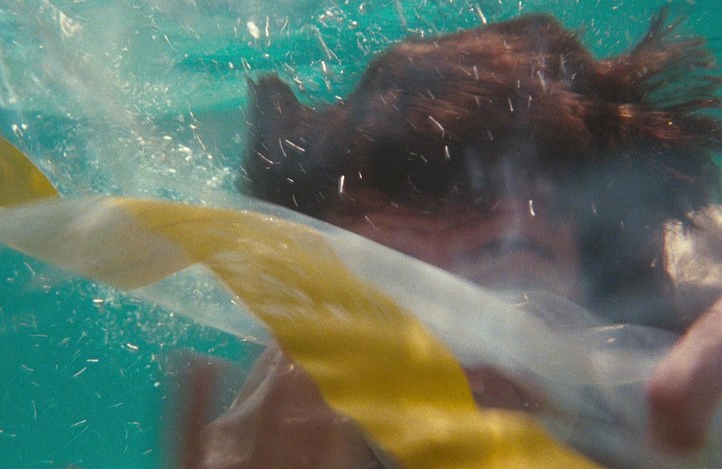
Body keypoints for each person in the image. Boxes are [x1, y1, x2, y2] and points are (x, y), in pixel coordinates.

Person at [183, 11, 722, 467]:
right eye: (395, 282)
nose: (448, 353)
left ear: (597, 280)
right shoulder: (304, 398)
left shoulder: (685, 307)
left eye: (503, 280)